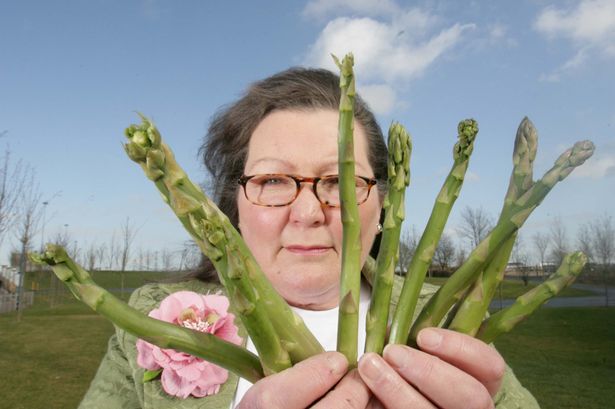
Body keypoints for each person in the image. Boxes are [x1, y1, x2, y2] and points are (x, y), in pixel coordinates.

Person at [79, 67, 540, 408]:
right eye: (273, 180)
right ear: (234, 206)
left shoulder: (448, 325)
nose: (307, 213)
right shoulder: (145, 317)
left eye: (340, 182)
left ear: (384, 206)